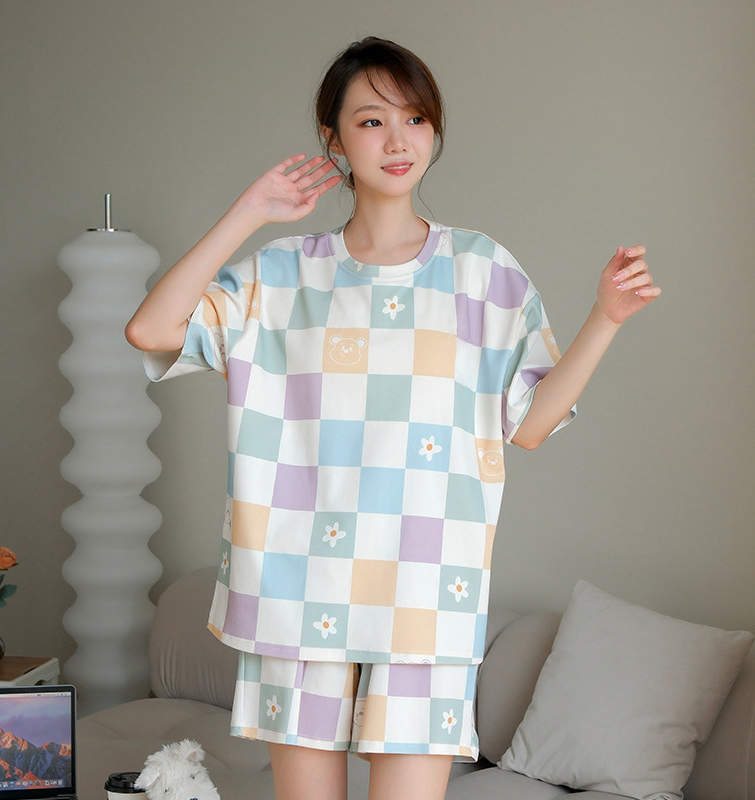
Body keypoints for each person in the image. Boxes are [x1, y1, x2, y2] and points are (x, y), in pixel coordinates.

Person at [126, 36, 660, 800]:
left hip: (424, 596)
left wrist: (605, 318)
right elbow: (151, 330)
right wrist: (250, 213)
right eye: (372, 121)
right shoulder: (282, 273)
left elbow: (531, 425)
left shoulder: (482, 272)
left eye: (415, 118)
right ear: (333, 140)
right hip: (297, 591)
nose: (399, 139)